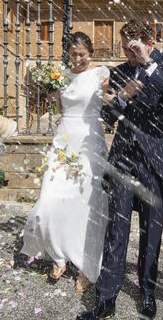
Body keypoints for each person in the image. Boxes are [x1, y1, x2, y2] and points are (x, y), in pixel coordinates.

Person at [70, 20, 163, 320]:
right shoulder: (121, 71)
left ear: (148, 43)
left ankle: (147, 292)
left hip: (155, 161)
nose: (129, 52)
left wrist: (150, 65)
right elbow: (109, 116)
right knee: (116, 228)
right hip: (124, 158)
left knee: (152, 230)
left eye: (133, 47)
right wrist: (122, 95)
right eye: (125, 48)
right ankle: (106, 299)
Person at [21, 32, 110, 293]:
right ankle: (58, 253)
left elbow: (106, 101)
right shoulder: (60, 75)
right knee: (51, 198)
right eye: (74, 54)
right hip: (63, 138)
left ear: (90, 53)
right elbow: (61, 107)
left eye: (82, 54)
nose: (78, 59)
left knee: (86, 201)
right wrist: (52, 96)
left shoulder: (101, 73)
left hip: (89, 139)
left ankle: (86, 263)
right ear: (68, 54)